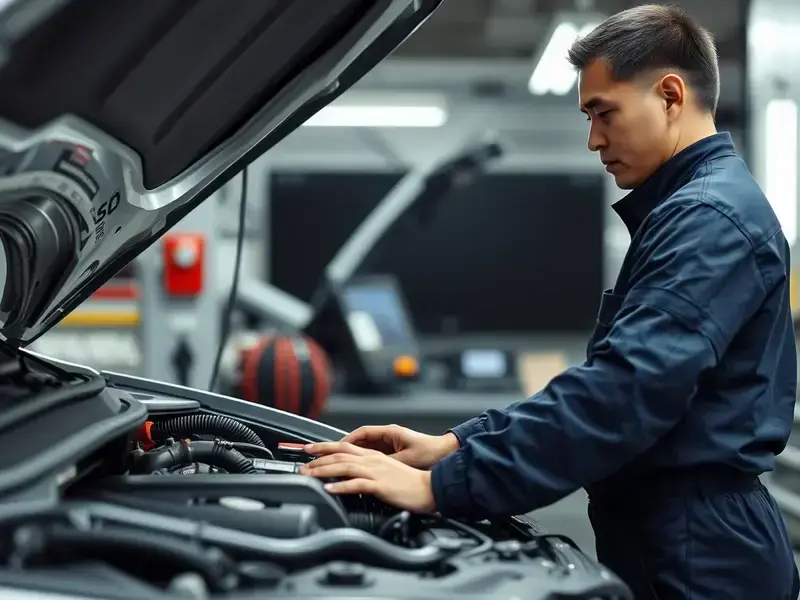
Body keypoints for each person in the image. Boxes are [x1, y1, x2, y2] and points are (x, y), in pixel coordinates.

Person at [300, 5, 800, 599]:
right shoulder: (688, 211)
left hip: (704, 555)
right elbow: (607, 380)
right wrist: (456, 445)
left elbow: (622, 394)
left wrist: (445, 486)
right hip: (677, 535)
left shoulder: (707, 219)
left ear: (670, 95)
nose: (593, 140)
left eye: (603, 113)